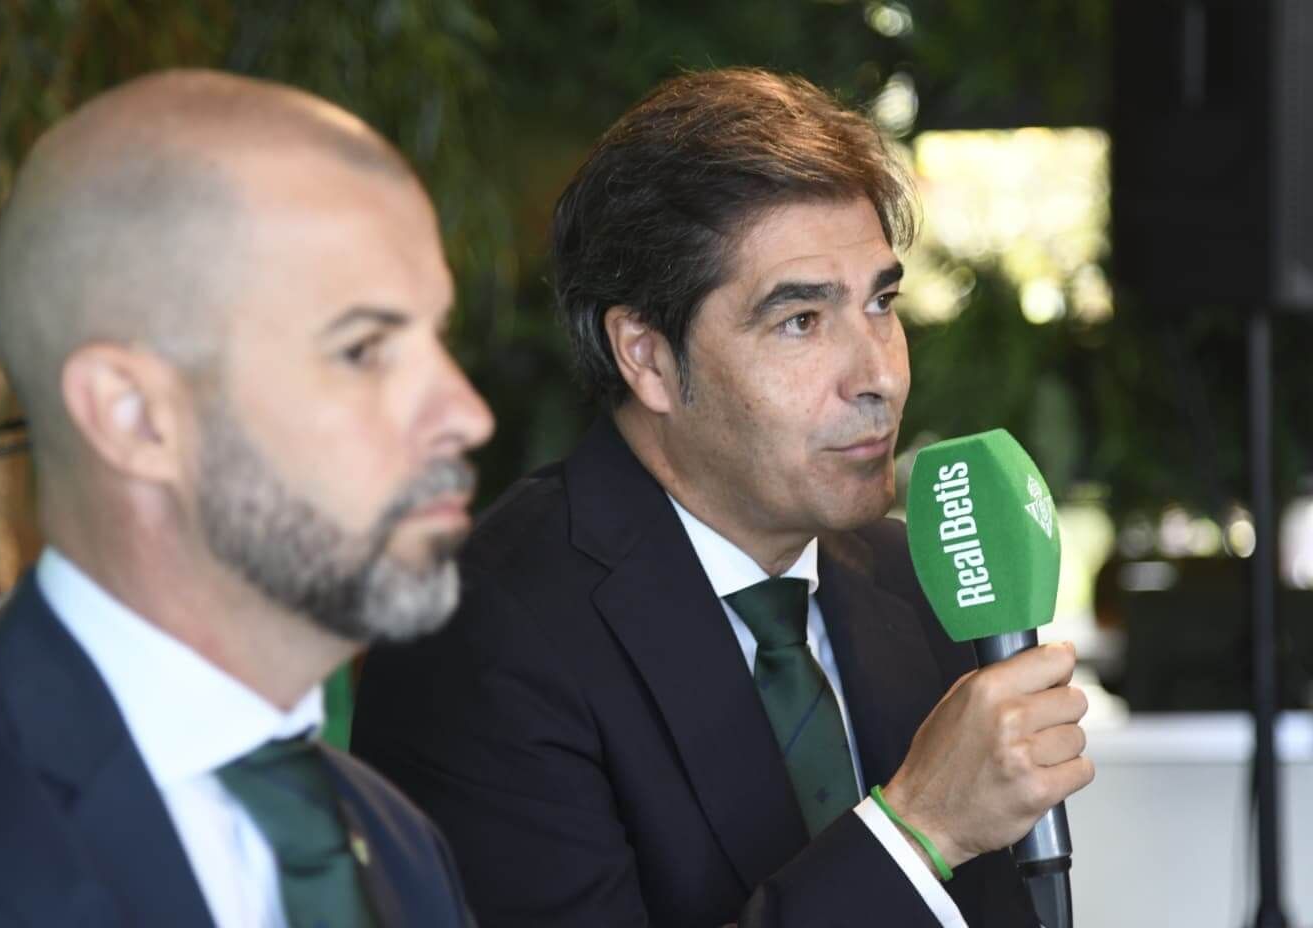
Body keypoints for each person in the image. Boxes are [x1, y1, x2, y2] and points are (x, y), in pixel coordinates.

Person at [352, 68, 1093, 927]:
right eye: (801, 321)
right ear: (646, 356)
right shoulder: (482, 633)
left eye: (881, 302)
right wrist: (918, 830)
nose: (880, 376)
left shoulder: (921, 582)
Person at [0, 69, 493, 927]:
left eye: (436, 340)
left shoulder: (395, 841)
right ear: (136, 417)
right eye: (364, 349)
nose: (467, 413)